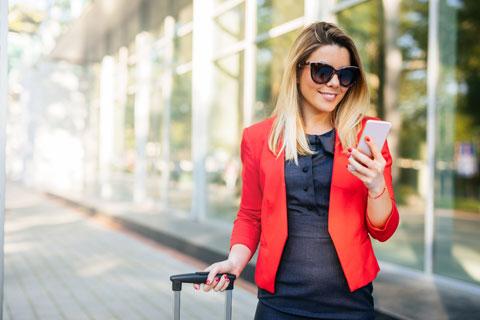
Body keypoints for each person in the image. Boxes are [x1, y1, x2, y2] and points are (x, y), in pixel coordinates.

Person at [193, 21, 400, 320]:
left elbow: (384, 229)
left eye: (345, 76)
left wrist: (376, 185)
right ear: (297, 70)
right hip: (279, 304)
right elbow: (251, 215)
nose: (333, 84)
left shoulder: (367, 135)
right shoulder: (258, 138)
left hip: (350, 306)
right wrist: (234, 262)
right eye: (322, 72)